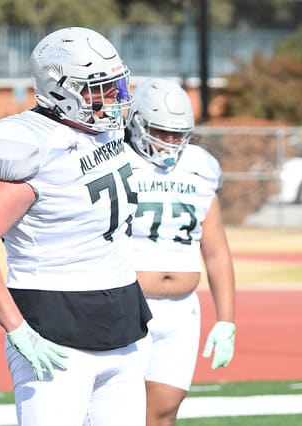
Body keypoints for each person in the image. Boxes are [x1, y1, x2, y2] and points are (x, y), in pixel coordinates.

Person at [0, 26, 152, 426]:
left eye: (116, 85)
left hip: (122, 317)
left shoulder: (103, 130)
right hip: (57, 327)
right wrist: (16, 327)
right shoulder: (33, 143)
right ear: (61, 91)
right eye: (100, 89)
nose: (115, 98)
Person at [125, 78, 236, 426]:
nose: (171, 141)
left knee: (163, 414)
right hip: (127, 304)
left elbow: (216, 251)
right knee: (118, 412)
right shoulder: (115, 160)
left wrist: (227, 319)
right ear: (138, 123)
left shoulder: (200, 166)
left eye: (179, 133)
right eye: (162, 131)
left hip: (182, 311)